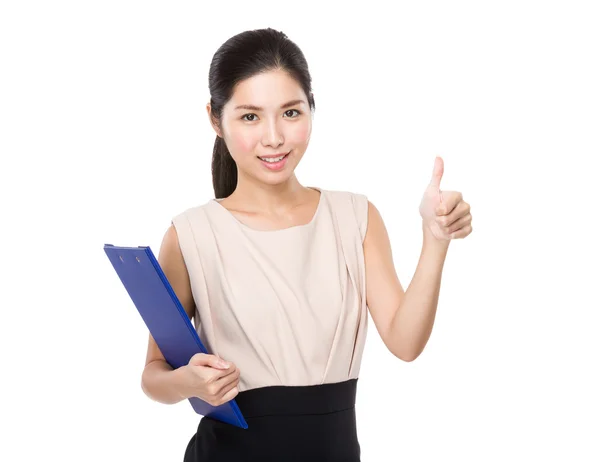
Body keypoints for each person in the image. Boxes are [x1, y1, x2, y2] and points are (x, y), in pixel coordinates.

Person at [140, 28, 473, 461]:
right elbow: (153, 375)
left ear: (311, 109)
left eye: (291, 113)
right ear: (215, 119)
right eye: (250, 116)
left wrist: (435, 239)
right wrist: (190, 383)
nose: (274, 137)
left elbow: (405, 343)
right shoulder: (190, 235)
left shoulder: (355, 218)